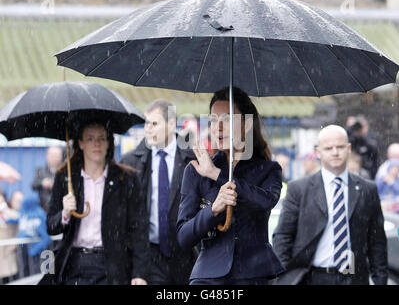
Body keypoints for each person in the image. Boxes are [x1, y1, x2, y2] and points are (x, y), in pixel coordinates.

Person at [176, 87, 285, 285]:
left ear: (247, 124)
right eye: (213, 121)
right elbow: (184, 237)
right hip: (208, 277)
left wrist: (216, 175)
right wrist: (212, 210)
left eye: (227, 120)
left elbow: (265, 201)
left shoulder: (268, 169)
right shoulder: (196, 170)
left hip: (254, 274)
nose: (218, 128)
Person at [273, 125, 387, 285]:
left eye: (340, 147)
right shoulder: (299, 189)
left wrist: (380, 280)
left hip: (355, 278)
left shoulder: (367, 189)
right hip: (313, 278)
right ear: (318, 152)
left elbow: (377, 241)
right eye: (328, 148)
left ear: (348, 148)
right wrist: (284, 278)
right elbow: (283, 236)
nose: (335, 152)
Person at [43, 120, 148, 285]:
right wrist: (65, 213)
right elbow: (51, 226)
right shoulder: (65, 177)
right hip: (74, 263)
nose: (96, 144)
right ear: (81, 143)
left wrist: (139, 273)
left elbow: (139, 230)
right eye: (90, 139)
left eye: (102, 138)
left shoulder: (126, 179)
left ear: (108, 143)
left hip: (112, 266)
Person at [120, 99, 197, 285]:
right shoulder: (131, 162)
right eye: (147, 123)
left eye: (154, 123)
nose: (148, 129)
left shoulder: (193, 159)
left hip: (186, 255)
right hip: (150, 256)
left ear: (171, 124)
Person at [32, 146, 63, 213]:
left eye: (57, 155)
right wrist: (42, 183)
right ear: (47, 156)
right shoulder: (40, 171)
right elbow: (33, 185)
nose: (54, 158)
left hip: (60, 207)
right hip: (44, 207)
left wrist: (56, 185)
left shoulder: (65, 171)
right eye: (52, 155)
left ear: (61, 157)